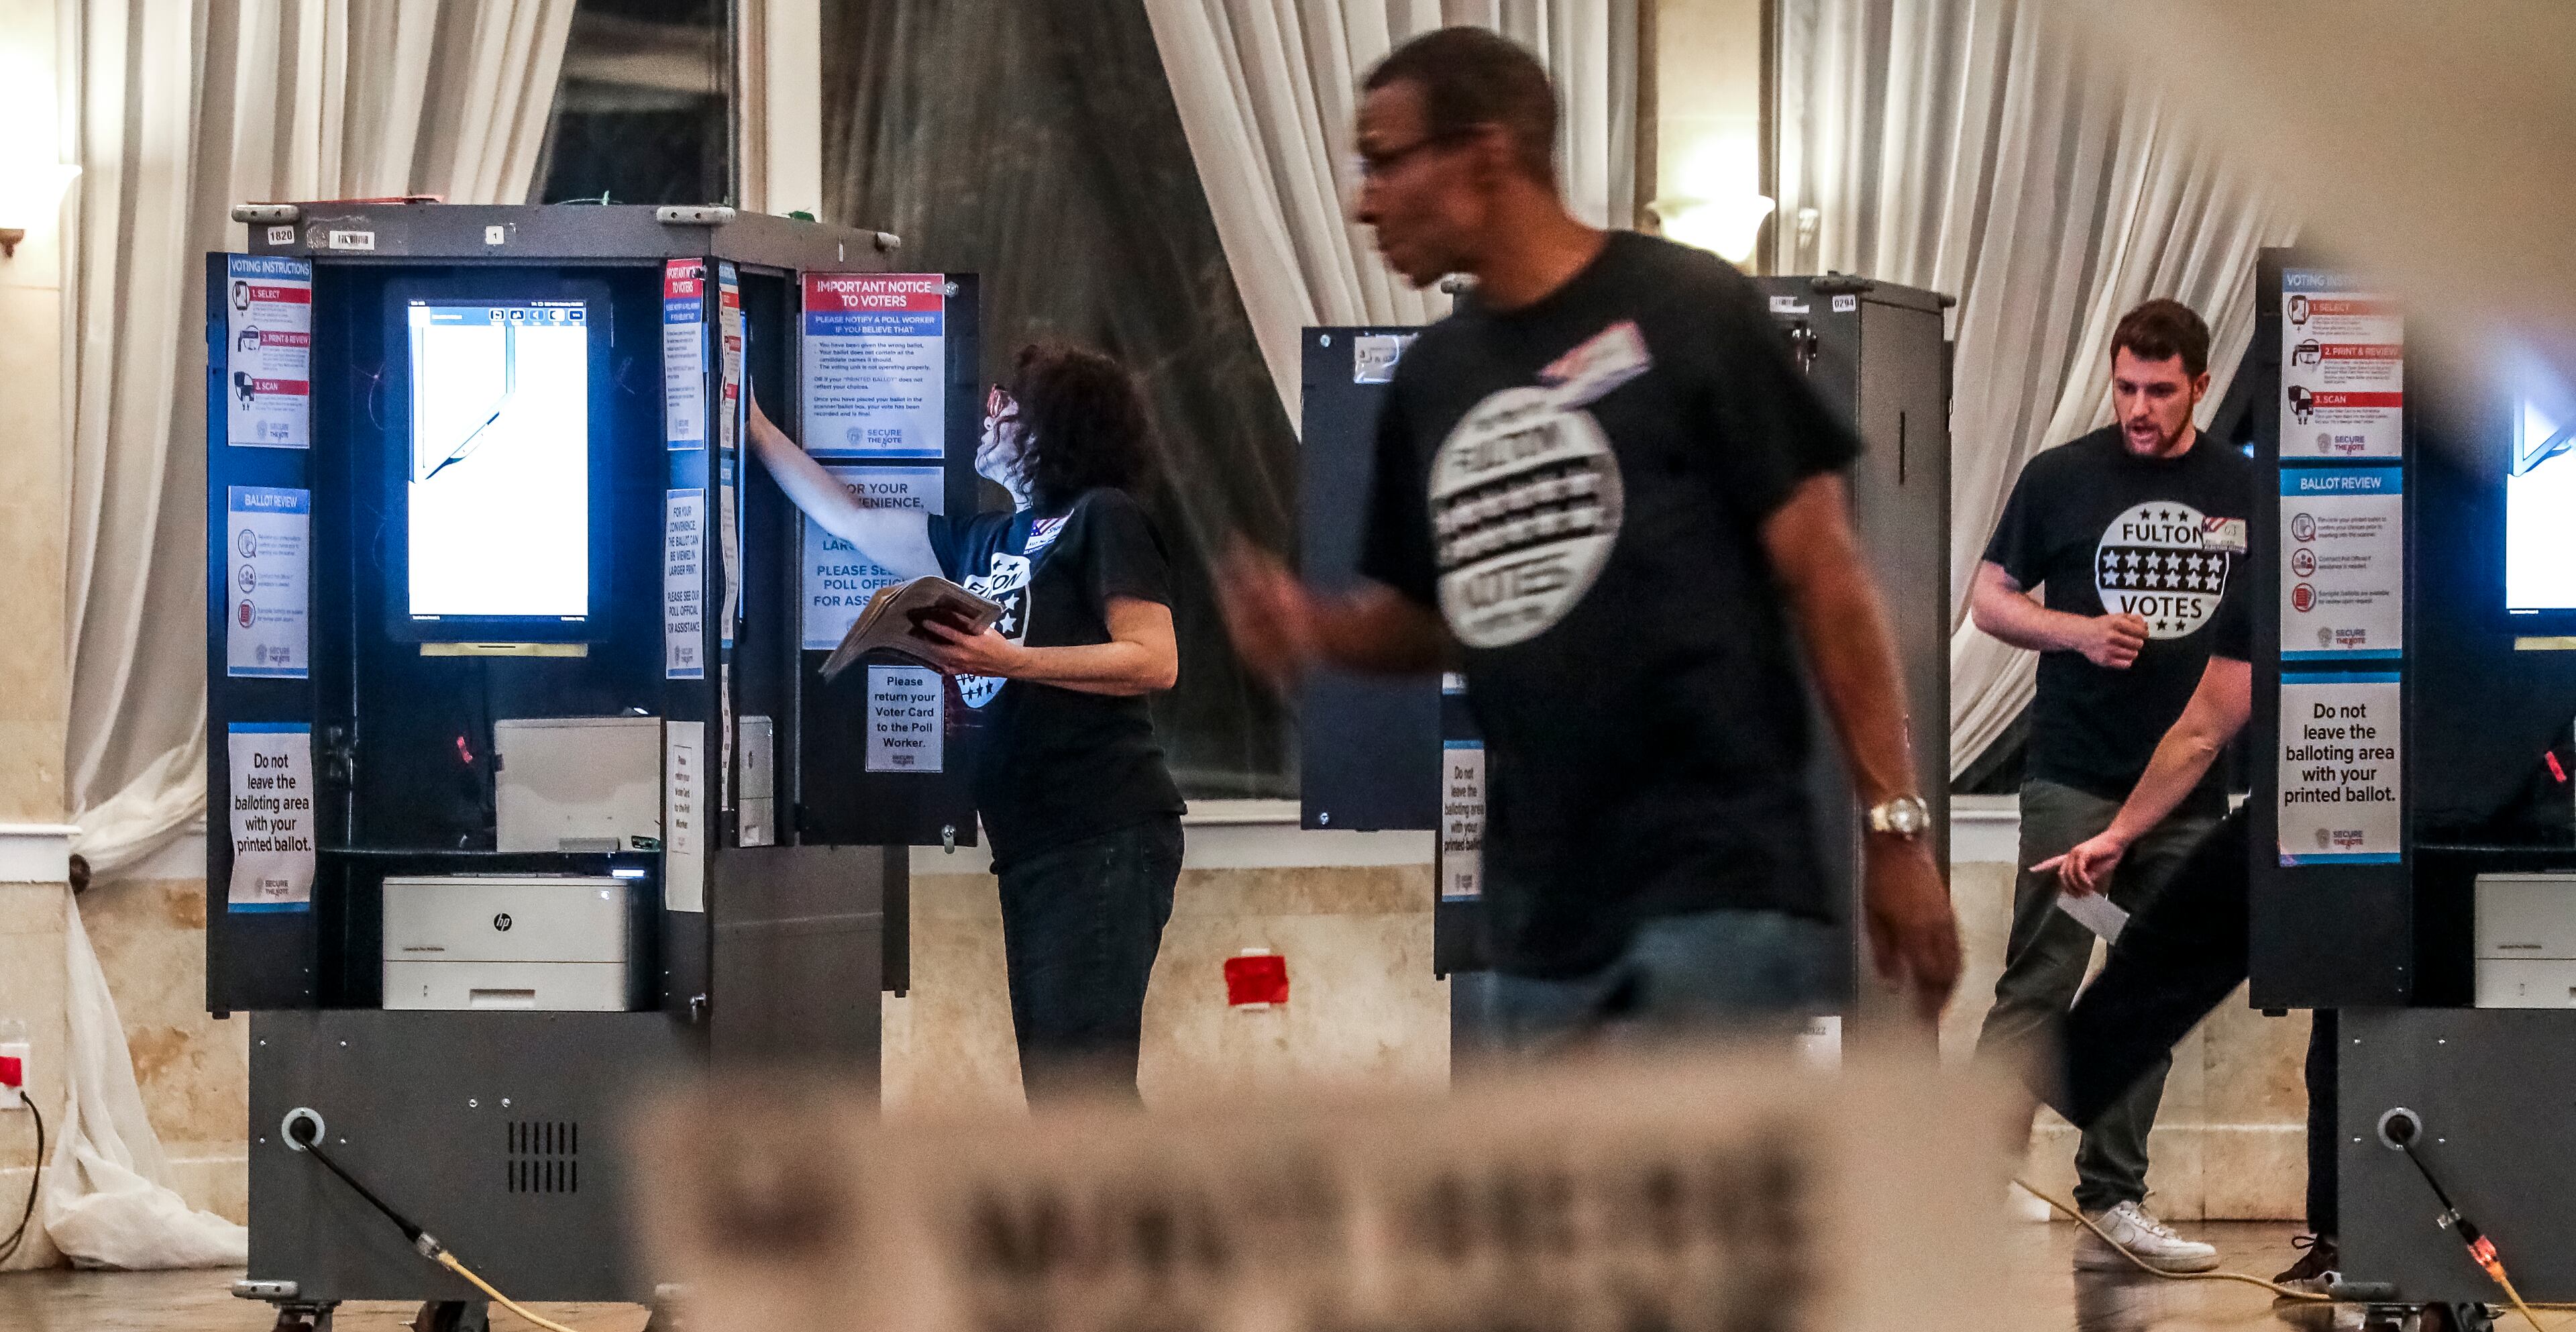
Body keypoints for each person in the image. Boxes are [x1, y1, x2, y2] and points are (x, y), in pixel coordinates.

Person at [1217, 27, 1960, 1043]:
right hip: (1537, 918)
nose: (1363, 199)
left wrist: (1896, 831)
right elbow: (1444, 619)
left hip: (1712, 890)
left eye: (1386, 159)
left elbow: (1828, 576)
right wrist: (1320, 631)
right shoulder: (1436, 381)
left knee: (1698, 1204)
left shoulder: (1689, 310)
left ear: (1486, 155)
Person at [747, 341, 1187, 1097]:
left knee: (1082, 1095)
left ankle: (1137, 1215)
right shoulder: (982, 537)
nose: (989, 414)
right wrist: (745, 418)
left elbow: (1154, 659)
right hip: (1034, 843)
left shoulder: (1102, 517)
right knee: (1062, 1090)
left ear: (1055, 426)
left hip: (1103, 832)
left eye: (1007, 404)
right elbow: (846, 517)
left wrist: (1009, 660)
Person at [1968, 299, 2257, 1273]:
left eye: (2160, 391)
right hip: (2075, 772)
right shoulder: (2062, 476)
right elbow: (1989, 599)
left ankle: (2116, 1202)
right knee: (2039, 976)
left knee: (2148, 985)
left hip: (2185, 787)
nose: (2139, 407)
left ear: (2201, 388)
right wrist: (2078, 631)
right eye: (2126, 386)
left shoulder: (2243, 490)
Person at [2027, 581, 2341, 1291]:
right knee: (2348, 1020)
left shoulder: (2284, 560)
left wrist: (2119, 833)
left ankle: (2345, 1238)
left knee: (2178, 956)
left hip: (2323, 807)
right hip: (2352, 807)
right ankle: (2341, 1238)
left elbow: (2205, 729)